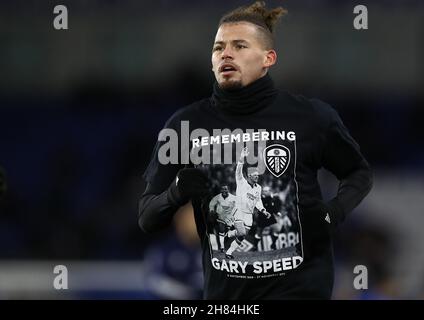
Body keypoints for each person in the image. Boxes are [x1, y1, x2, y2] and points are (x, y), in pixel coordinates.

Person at [139, 1, 373, 299]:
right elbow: (147, 217)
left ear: (268, 58)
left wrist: (334, 212)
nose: (226, 53)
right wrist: (175, 192)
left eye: (239, 46)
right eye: (218, 47)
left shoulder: (312, 117)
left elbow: (359, 173)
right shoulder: (185, 125)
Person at [208, 185, 236, 253]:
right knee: (221, 230)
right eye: (223, 189)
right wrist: (211, 210)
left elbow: (238, 205)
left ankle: (229, 242)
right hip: (221, 216)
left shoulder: (233, 197)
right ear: (221, 190)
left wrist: (234, 213)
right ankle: (222, 247)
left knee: (230, 231)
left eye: (225, 189)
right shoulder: (217, 197)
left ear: (228, 190)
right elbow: (211, 203)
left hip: (230, 216)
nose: (224, 190)